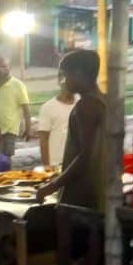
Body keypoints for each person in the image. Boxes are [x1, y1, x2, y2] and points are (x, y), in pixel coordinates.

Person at [37, 50, 106, 209]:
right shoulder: (103, 99)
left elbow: (84, 156)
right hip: (98, 185)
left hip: (84, 191)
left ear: (79, 74)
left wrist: (51, 186)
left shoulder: (86, 106)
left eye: (66, 75)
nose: (64, 81)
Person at [37, 74, 76, 167]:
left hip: (77, 163)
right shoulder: (48, 108)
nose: (70, 85)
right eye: (67, 82)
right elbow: (43, 140)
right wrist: (47, 167)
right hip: (56, 164)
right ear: (60, 82)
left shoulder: (82, 103)